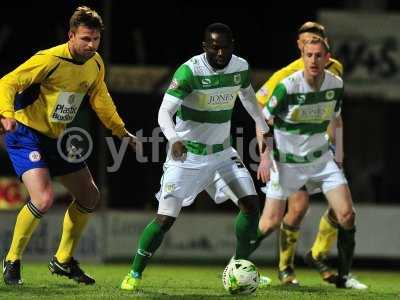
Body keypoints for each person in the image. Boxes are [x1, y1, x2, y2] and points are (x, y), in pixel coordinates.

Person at [120, 23, 270, 292]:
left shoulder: (240, 67)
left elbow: (248, 97)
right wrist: (175, 139)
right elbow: (164, 112)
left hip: (223, 153)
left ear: (232, 45)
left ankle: (239, 267)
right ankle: (134, 273)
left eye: (225, 47)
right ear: (205, 47)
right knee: (165, 219)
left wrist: (263, 126)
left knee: (251, 205)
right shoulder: (190, 71)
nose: (220, 53)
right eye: (214, 48)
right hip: (188, 154)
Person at [0, 6, 141, 285]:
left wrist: (120, 130)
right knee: (43, 199)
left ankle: (63, 261)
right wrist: (6, 114)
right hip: (25, 132)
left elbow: (102, 100)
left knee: (89, 196)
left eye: (96, 40)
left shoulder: (96, 64)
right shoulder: (49, 59)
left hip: (55, 137)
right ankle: (12, 260)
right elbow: (8, 82)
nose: (91, 45)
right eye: (86, 39)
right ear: (71, 36)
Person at [259, 37, 367, 289]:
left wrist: (338, 152)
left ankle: (321, 257)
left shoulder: (334, 75)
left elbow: (335, 118)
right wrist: (267, 152)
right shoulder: (286, 77)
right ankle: (284, 268)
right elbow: (261, 108)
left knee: (344, 213)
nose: (313, 58)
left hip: (322, 154)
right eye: (308, 52)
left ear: (326, 55)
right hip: (291, 157)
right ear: (300, 48)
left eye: (318, 53)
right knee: (297, 208)